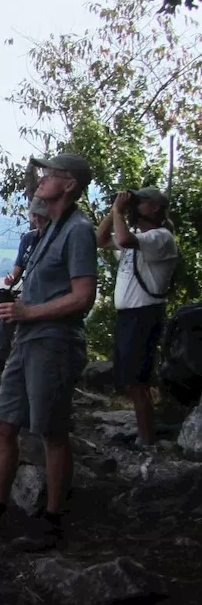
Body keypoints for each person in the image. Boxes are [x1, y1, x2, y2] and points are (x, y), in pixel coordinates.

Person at [0, 152, 98, 552]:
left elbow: (83, 297)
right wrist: (16, 310)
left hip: (55, 343)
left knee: (51, 433)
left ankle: (53, 521)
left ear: (70, 184)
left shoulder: (78, 230)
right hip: (27, 340)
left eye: (49, 175)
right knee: (3, 424)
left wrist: (28, 310)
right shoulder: (51, 228)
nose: (41, 180)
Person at [97, 186, 178, 448]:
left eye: (141, 202)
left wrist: (120, 211)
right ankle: (145, 434)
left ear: (155, 207)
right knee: (130, 381)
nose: (136, 206)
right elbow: (100, 239)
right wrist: (114, 211)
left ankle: (147, 440)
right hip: (129, 316)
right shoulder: (140, 240)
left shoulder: (161, 238)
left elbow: (127, 239)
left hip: (143, 315)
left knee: (137, 381)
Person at [0, 197, 51, 368]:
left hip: (45, 291)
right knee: (5, 305)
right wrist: (11, 279)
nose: (37, 220)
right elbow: (19, 267)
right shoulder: (29, 238)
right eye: (34, 216)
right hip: (27, 287)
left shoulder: (54, 238)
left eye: (41, 216)